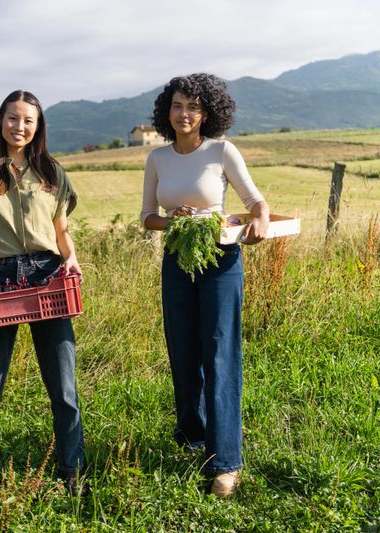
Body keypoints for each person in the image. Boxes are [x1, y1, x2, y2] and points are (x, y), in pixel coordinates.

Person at [0, 90, 87, 494]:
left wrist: (71, 259)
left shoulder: (53, 174)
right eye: (12, 118)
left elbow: (61, 232)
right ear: (1, 121)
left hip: (48, 277)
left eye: (28, 120)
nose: (19, 126)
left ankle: (72, 469)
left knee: (63, 384)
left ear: (38, 125)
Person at [140, 73, 270, 497]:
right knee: (183, 350)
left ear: (207, 113)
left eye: (193, 107)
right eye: (178, 105)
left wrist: (261, 221)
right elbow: (147, 218)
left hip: (219, 261)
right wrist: (171, 218)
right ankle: (194, 437)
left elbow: (255, 202)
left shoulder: (221, 151)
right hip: (177, 261)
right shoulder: (158, 159)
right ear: (167, 110)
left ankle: (226, 461)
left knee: (219, 353)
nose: (184, 114)